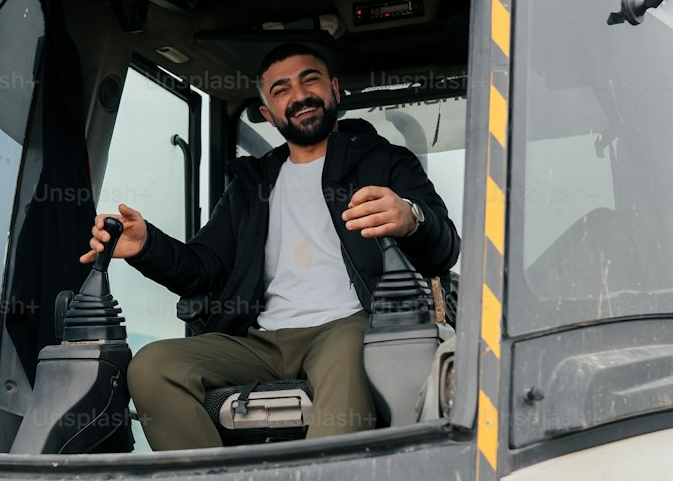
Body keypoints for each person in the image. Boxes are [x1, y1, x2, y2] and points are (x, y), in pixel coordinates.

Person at [81, 43, 460, 450]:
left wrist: (411, 217)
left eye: (309, 80)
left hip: (349, 325)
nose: (298, 96)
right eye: (280, 90)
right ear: (268, 114)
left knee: (354, 349)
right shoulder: (251, 186)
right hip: (261, 340)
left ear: (334, 89)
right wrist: (145, 246)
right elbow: (203, 268)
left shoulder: (385, 162)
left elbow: (444, 248)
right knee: (152, 366)